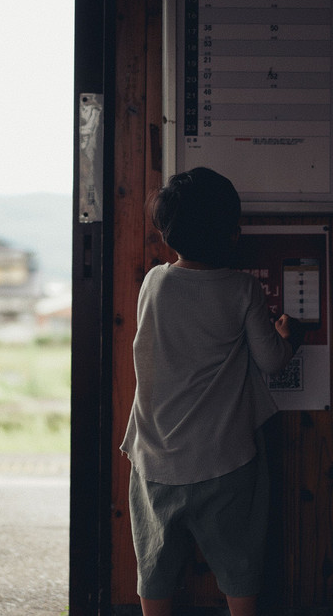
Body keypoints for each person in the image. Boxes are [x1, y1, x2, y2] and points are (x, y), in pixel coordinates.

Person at [120, 166, 304, 616]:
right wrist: (289, 335)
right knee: (240, 565)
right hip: (226, 458)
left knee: (155, 567)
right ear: (232, 233)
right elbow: (272, 361)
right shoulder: (242, 289)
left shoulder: (154, 283)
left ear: (167, 233)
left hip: (156, 457)